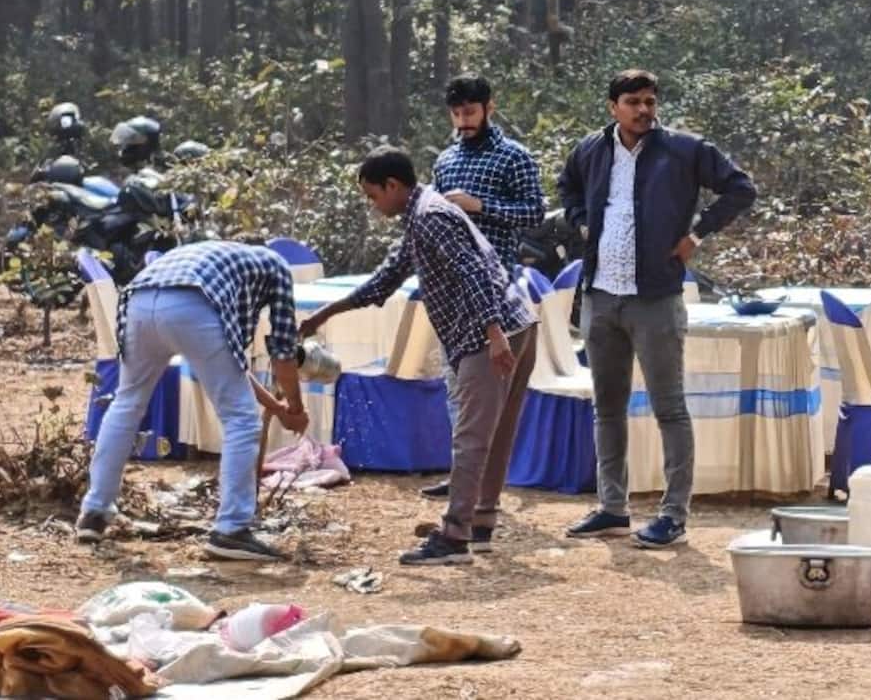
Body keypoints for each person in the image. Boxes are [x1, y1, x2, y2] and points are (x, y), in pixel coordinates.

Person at [301, 149, 537, 566]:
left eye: (373, 196)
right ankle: (479, 522)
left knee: (470, 436)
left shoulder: (430, 216)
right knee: (491, 434)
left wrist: (493, 332)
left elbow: (472, 271)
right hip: (515, 323)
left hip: (492, 332)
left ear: (394, 186)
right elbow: (385, 280)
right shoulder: (421, 217)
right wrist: (326, 313)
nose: (373, 207)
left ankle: (454, 537)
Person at [557, 70, 756, 549]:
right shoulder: (591, 149)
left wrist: (696, 235)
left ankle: (673, 514)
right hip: (601, 294)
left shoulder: (684, 149)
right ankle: (612, 507)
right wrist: (583, 224)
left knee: (669, 407)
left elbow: (740, 188)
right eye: (633, 102)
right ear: (613, 107)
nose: (644, 110)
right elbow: (567, 187)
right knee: (607, 408)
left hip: (657, 298)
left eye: (650, 101)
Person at [76, 241, 307, 562]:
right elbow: (283, 352)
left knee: (126, 405)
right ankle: (232, 530)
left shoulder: (216, 257)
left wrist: (276, 407)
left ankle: (94, 512)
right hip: (193, 302)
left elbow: (232, 366)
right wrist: (296, 409)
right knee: (240, 420)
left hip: (139, 302)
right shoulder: (277, 265)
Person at [418, 74, 546, 504]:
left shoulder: (515, 158)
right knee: (456, 387)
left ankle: (480, 491)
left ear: (490, 108)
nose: (463, 120)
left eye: (470, 112)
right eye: (456, 113)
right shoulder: (446, 159)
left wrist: (480, 206)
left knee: (486, 395)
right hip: (450, 293)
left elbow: (535, 213)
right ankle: (462, 474)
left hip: (495, 288)